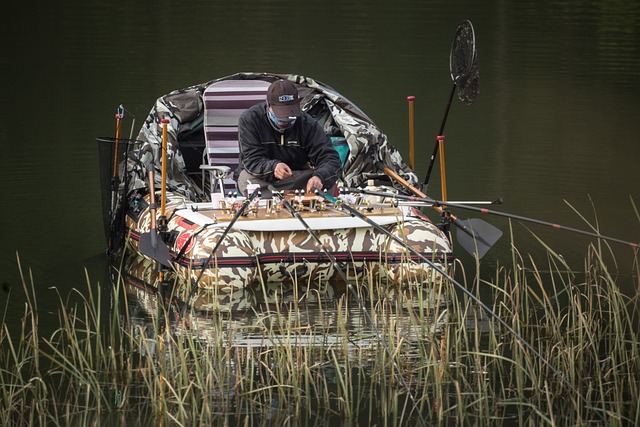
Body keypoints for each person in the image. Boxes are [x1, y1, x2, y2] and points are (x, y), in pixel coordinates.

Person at [236, 79, 342, 197]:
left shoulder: (308, 124)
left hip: (297, 177)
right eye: (281, 114)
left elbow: (330, 159)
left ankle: (291, 195)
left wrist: (320, 176)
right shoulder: (250, 120)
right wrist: (273, 167)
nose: (286, 119)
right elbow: (251, 159)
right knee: (247, 180)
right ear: (269, 105)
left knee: (326, 184)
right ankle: (290, 195)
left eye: (290, 114)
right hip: (263, 178)